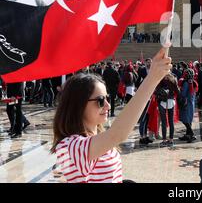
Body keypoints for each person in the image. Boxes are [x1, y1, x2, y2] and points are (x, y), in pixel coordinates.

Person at [50, 46, 171, 183]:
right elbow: (117, 134)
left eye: (107, 98)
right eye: (100, 101)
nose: (107, 105)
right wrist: (152, 79)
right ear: (78, 105)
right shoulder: (69, 146)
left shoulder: (94, 137)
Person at [155, 73, 180, 147]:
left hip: (162, 102)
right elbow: (178, 91)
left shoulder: (161, 78)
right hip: (171, 101)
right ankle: (171, 140)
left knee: (163, 122)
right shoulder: (173, 79)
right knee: (171, 121)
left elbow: (157, 90)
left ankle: (164, 140)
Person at [178, 69, 199, 143]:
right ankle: (187, 135)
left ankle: (191, 134)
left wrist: (179, 90)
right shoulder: (194, 82)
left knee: (185, 119)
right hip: (191, 103)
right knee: (188, 120)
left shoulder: (186, 83)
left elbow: (183, 94)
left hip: (186, 103)